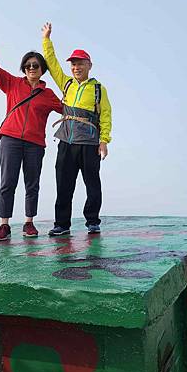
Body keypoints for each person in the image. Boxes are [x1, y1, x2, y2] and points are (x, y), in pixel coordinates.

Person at [0, 17, 63, 241]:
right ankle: (4, 225)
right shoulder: (12, 84)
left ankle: (29, 223)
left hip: (35, 144)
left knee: (32, 183)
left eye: (35, 65)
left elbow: (67, 109)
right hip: (10, 139)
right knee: (8, 182)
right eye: (27, 66)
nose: (31, 69)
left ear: (42, 69)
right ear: (23, 68)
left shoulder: (48, 95)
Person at [41, 22, 112, 236]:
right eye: (73, 64)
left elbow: (106, 115)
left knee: (92, 184)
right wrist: (46, 40)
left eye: (80, 63)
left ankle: (92, 221)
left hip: (90, 143)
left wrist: (104, 141)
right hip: (66, 142)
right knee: (63, 184)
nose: (76, 67)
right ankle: (62, 224)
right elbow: (52, 64)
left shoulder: (98, 89)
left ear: (89, 65)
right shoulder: (67, 84)